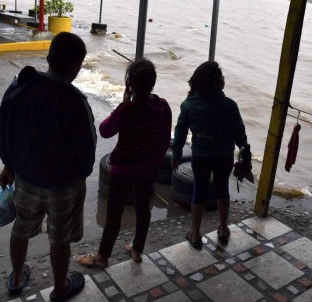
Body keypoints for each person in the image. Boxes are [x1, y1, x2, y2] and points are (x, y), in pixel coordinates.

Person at [0, 32, 97, 302]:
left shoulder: (21, 86)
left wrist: (8, 165)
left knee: (21, 228)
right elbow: (87, 151)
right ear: (76, 67)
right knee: (59, 238)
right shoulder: (76, 101)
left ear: (48, 56)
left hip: (26, 178)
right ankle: (60, 288)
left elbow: (5, 128)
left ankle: (17, 277)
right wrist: (79, 176)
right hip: (63, 186)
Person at [77, 58, 171, 268]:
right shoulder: (163, 106)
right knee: (143, 208)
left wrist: (122, 104)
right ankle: (137, 249)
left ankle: (102, 256)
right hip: (148, 168)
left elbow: (105, 130)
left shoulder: (127, 109)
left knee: (114, 213)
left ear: (129, 84)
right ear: (153, 83)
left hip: (123, 169)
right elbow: (164, 140)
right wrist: (153, 164)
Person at [171, 61, 251, 249]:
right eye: (221, 77)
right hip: (224, 156)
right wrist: (245, 157)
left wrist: (176, 154)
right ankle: (223, 230)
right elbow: (240, 134)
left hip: (200, 156)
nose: (224, 80)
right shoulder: (230, 105)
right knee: (223, 190)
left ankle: (196, 234)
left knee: (199, 191)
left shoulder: (189, 105)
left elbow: (180, 133)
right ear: (215, 82)